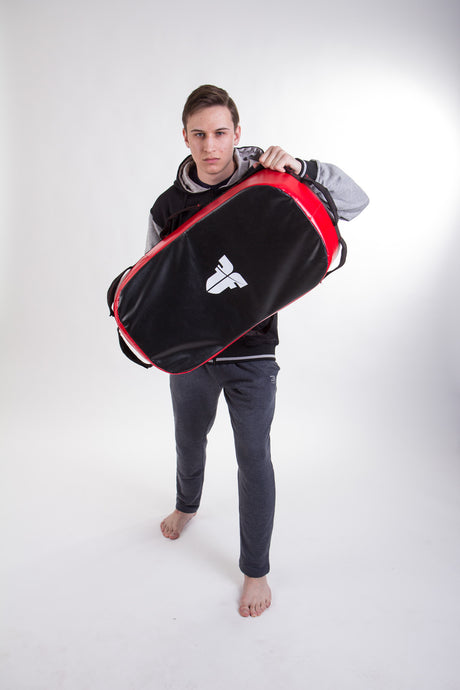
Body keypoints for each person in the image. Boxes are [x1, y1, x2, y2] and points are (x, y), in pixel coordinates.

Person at [146, 85, 369, 617]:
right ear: (185, 137)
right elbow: (154, 283)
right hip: (193, 356)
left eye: (220, 133)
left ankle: (255, 570)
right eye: (199, 134)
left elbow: (356, 202)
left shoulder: (267, 180)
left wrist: (302, 167)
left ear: (237, 133)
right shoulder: (167, 206)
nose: (210, 145)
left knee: (253, 458)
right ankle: (186, 505)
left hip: (253, 355)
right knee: (189, 441)